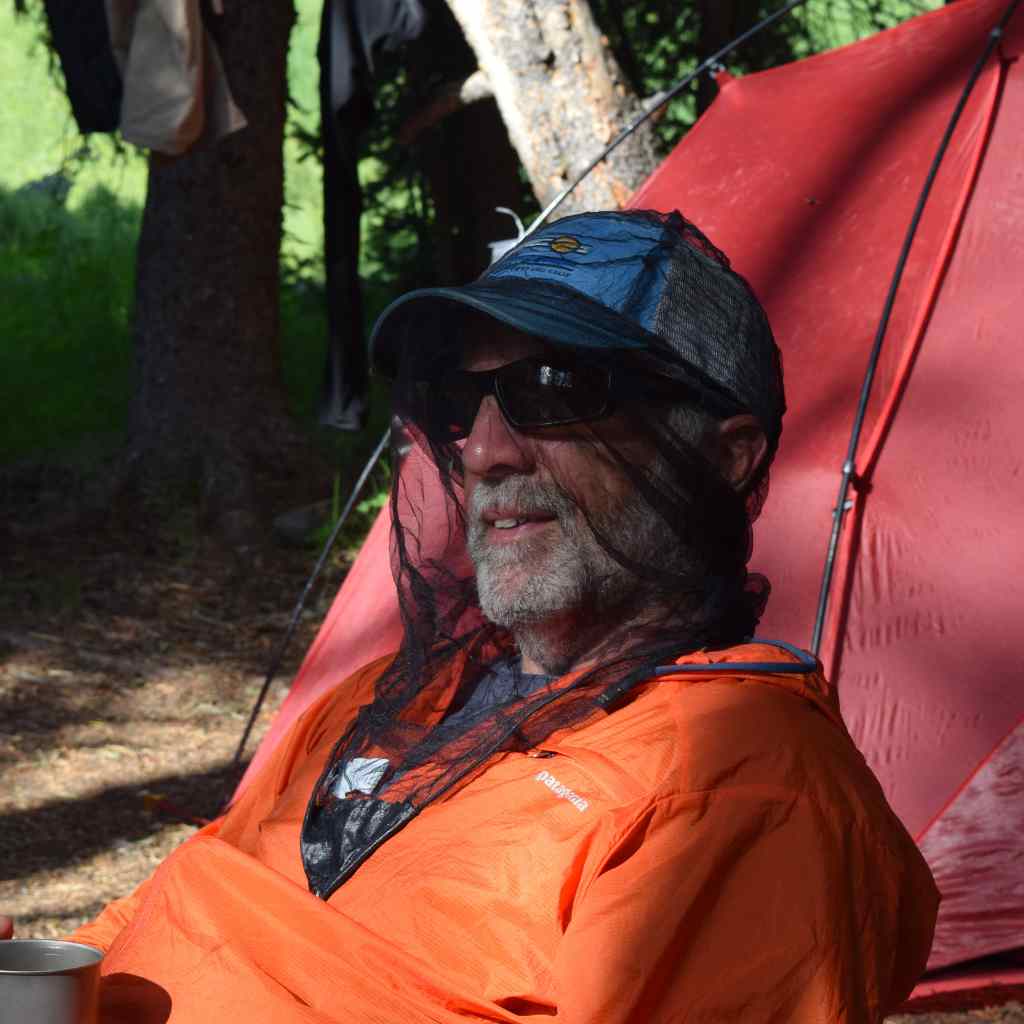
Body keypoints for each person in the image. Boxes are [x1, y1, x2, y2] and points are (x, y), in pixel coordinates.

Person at [4, 210, 938, 1022]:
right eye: (465, 401)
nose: (487, 450)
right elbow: (183, 905)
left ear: (725, 457)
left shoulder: (744, 793)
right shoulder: (398, 695)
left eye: (555, 391)